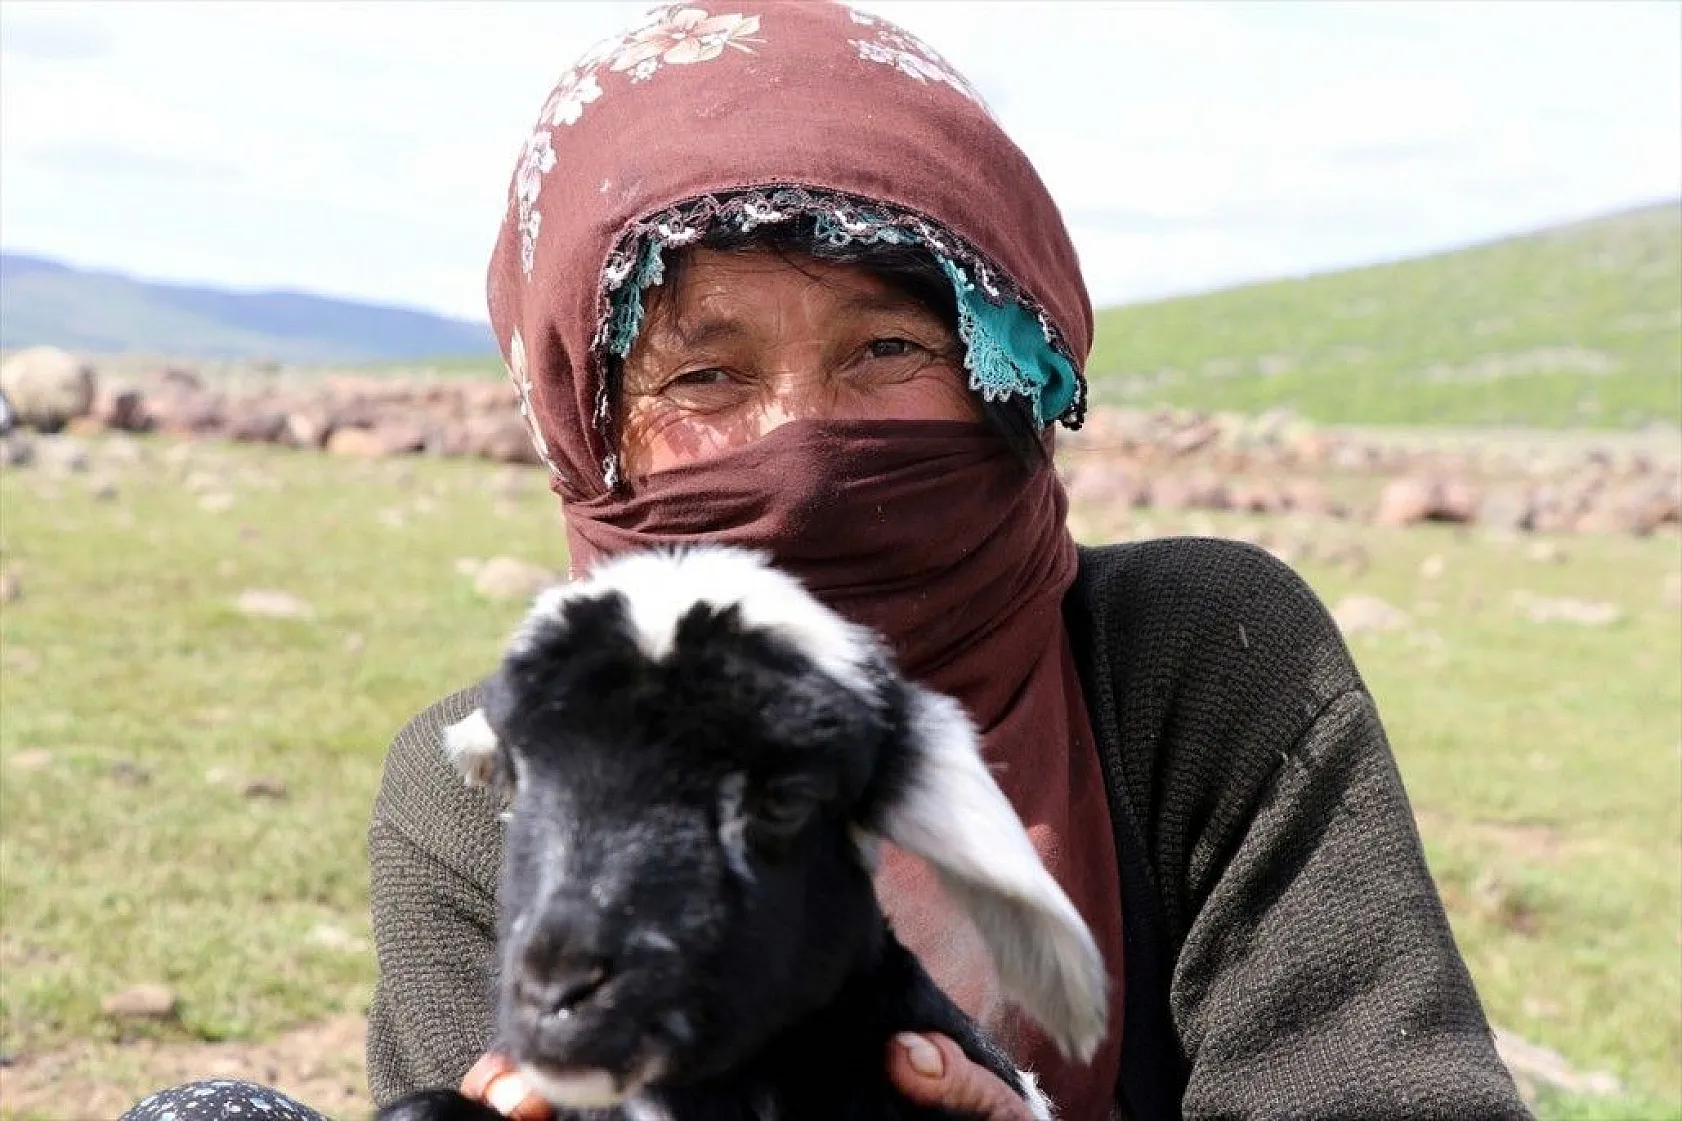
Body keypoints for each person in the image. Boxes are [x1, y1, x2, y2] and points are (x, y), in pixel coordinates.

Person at [127, 3, 1532, 1119]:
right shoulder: (484, 772)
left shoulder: (1191, 658)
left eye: (885, 350)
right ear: (590, 430)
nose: (800, 448)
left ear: (1003, 370)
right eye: (703, 377)